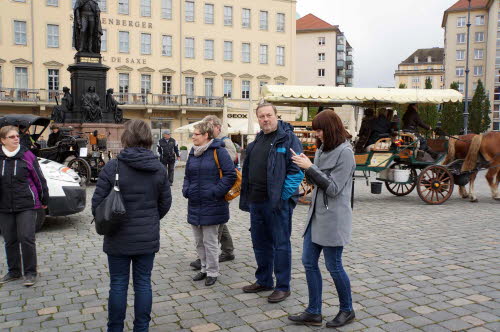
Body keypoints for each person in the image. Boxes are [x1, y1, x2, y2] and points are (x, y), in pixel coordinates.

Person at [91, 119, 172, 332]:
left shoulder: (113, 166)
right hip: (146, 236)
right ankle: (141, 328)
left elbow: (97, 205)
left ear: (126, 138)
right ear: (148, 138)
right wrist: (149, 220)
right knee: (143, 283)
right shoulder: (159, 168)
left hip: (117, 235)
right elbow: (165, 204)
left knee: (118, 284)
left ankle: (115, 328)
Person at [288, 109, 356, 328]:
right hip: (316, 215)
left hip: (334, 218)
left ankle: (347, 310)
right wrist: (304, 166)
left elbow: (334, 188)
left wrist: (311, 168)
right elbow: (316, 180)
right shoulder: (322, 149)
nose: (316, 134)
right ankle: (313, 311)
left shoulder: (346, 152)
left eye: (319, 130)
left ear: (330, 129)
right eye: (315, 130)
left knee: (334, 265)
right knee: (308, 261)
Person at [239, 102, 304, 303]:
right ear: (257, 119)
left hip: (277, 204)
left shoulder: (288, 139)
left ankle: (283, 286)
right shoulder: (257, 140)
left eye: (269, 115)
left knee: (280, 245)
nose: (265, 119)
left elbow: (297, 171)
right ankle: (264, 280)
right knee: (260, 244)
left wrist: (282, 197)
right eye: (261, 116)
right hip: (257, 202)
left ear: (276, 116)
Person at [182, 122, 236, 286]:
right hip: (195, 203)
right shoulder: (193, 152)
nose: (193, 137)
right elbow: (187, 176)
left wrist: (215, 192)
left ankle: (213, 271)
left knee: (210, 241)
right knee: (199, 241)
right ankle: (204, 269)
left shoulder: (219, 151)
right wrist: (186, 190)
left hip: (213, 204)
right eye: (193, 134)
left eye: (196, 134)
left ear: (206, 136)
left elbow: (230, 175)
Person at [0, 126, 49, 287]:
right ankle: (14, 271)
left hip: (26, 204)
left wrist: (44, 198)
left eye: (17, 136)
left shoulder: (27, 155)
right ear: (3, 140)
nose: (16, 138)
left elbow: (39, 179)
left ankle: (30, 272)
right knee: (10, 239)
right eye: (11, 137)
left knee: (27, 238)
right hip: (4, 205)